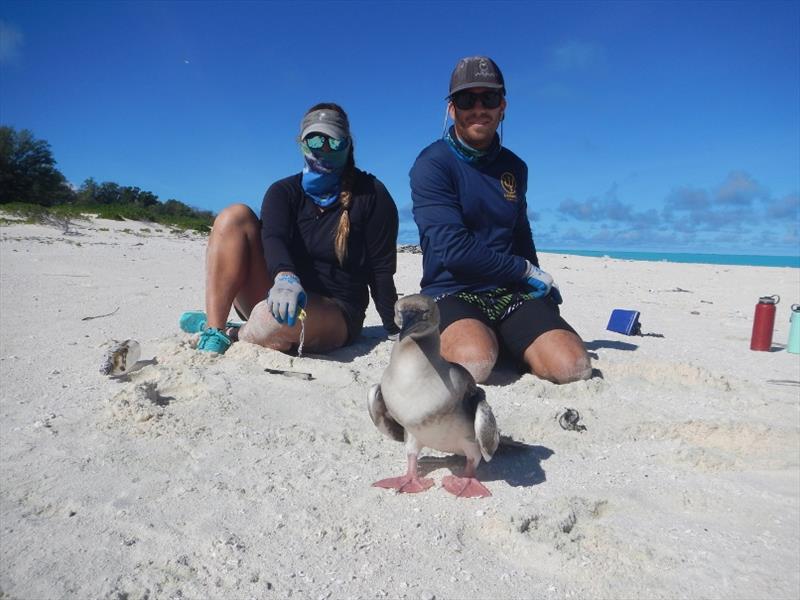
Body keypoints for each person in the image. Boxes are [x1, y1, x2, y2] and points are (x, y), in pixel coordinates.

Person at [409, 56, 591, 384]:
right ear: (452, 109)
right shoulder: (432, 165)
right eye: (467, 99)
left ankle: (503, 338)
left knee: (573, 366)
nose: (479, 108)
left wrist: (539, 285)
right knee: (474, 361)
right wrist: (524, 270)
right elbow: (455, 251)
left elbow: (519, 231)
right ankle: (467, 337)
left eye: (489, 98)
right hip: (451, 290)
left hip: (508, 293)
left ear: (502, 106)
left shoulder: (515, 167)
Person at [183, 103, 400, 354]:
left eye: (334, 141)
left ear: (348, 143)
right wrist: (286, 277)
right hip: (278, 292)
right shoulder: (283, 192)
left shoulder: (372, 194)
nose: (324, 149)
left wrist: (393, 327)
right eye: (316, 142)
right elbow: (274, 238)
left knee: (268, 318)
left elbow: (381, 269)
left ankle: (234, 331)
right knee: (234, 216)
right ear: (302, 144)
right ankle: (214, 329)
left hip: (335, 309)